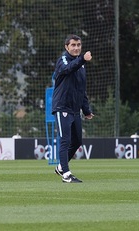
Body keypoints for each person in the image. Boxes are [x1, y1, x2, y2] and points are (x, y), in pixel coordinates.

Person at [52, 34, 94, 183]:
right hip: (62, 106)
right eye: (73, 45)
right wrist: (82, 58)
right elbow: (68, 69)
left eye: (78, 45)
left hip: (75, 110)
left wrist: (86, 110)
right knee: (65, 140)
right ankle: (66, 174)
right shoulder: (63, 60)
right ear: (66, 47)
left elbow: (81, 90)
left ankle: (60, 167)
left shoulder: (81, 65)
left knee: (77, 141)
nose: (76, 48)